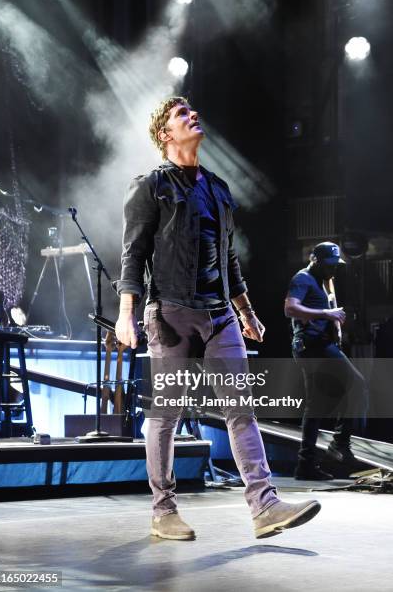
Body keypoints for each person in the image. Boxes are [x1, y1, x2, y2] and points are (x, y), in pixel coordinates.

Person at [114, 96, 320, 540]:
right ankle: (163, 510)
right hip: (169, 313)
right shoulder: (150, 186)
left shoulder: (218, 189)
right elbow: (133, 253)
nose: (193, 116)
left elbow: (228, 258)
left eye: (192, 110)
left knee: (240, 409)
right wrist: (126, 313)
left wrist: (246, 312)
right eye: (181, 114)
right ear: (165, 134)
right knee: (167, 413)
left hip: (220, 315)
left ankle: (264, 505)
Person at [284, 242, 368, 481]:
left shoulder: (324, 281)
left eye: (335, 265)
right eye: (329, 265)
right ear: (315, 260)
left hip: (321, 345)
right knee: (357, 385)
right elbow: (290, 308)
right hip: (312, 347)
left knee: (317, 404)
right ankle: (339, 445)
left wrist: (335, 324)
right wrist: (326, 314)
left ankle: (306, 465)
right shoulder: (302, 278)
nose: (333, 270)